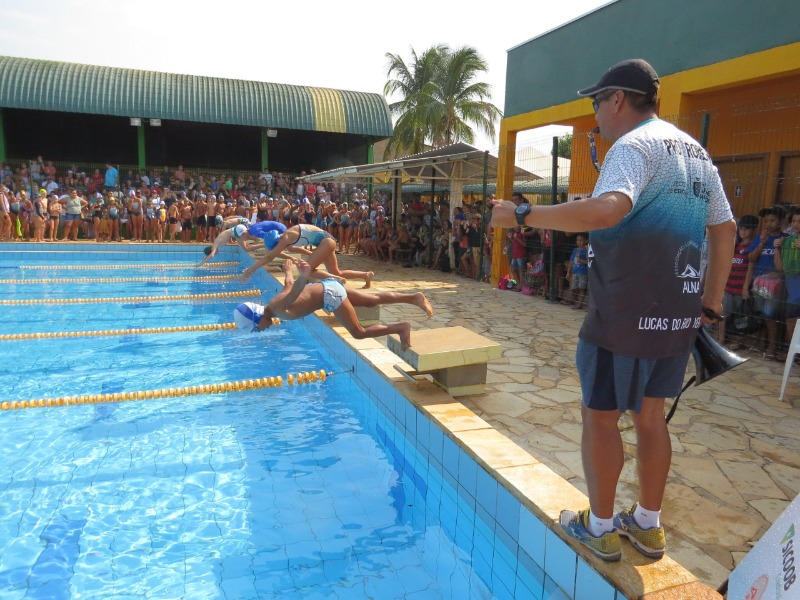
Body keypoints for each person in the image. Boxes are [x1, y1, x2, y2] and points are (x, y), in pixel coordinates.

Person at [491, 59, 736, 562]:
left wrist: (521, 212)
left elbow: (607, 210)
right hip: (679, 313)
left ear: (618, 99)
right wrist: (709, 303)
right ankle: (647, 524)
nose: (596, 114)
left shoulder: (633, 146)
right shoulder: (695, 151)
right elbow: (725, 227)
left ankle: (600, 527)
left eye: (596, 103)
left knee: (599, 417)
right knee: (651, 418)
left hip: (623, 310)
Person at [244, 258, 433, 349]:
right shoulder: (273, 304)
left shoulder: (277, 309)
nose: (258, 330)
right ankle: (414, 298)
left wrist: (303, 275)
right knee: (371, 301)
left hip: (329, 295)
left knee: (359, 332)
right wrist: (288, 270)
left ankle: (401, 328)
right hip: (326, 286)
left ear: (257, 318)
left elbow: (293, 292)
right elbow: (288, 285)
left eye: (255, 328)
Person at [239, 223, 374, 287]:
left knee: (306, 271)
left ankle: (336, 280)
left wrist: (250, 270)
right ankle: (366, 275)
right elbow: (296, 251)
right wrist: (314, 254)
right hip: (326, 242)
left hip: (326, 242)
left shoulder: (286, 236)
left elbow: (270, 257)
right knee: (336, 271)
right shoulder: (287, 238)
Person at [717, 215, 758, 350]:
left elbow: (750, 269)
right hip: (729, 286)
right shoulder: (735, 245)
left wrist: (745, 288)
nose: (743, 231)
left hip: (741, 288)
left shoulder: (752, 247)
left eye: (746, 229)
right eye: (741, 228)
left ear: (753, 230)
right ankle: (721, 337)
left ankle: (738, 341)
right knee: (725, 313)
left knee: (740, 316)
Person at [773, 209, 800, 361]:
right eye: (794, 221)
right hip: (792, 288)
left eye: (799, 222)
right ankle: (794, 353)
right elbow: (780, 268)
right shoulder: (788, 242)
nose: (796, 225)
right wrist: (777, 248)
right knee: (790, 319)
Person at [200, 220, 287, 265]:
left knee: (248, 247)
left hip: (237, 232)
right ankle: (263, 244)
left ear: (211, 250)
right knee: (247, 247)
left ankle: (264, 244)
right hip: (236, 232)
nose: (215, 254)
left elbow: (211, 255)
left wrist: (201, 264)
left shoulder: (215, 244)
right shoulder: (216, 243)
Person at [567, 233, 589, 309]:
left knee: (582, 288)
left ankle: (580, 304)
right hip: (575, 271)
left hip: (583, 272)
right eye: (577, 240)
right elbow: (571, 261)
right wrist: (568, 272)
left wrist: (580, 260)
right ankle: (577, 301)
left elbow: (589, 262)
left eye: (581, 240)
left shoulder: (586, 251)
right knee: (574, 287)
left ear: (586, 241)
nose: (579, 242)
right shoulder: (575, 250)